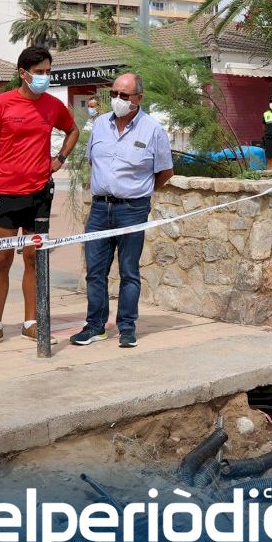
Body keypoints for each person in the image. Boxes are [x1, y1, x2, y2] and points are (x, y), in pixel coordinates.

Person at [0, 46, 79, 349]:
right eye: (39, 72)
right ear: (23, 73)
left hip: (39, 194)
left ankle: (31, 323)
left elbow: (73, 130)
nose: (45, 77)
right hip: (5, 194)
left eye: (48, 71)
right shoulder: (2, 104)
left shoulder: (52, 105)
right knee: (2, 259)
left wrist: (59, 159)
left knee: (33, 259)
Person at [71, 73, 173, 348]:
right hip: (99, 209)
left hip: (132, 210)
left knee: (129, 271)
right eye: (114, 93)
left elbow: (165, 172)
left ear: (139, 98)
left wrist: (139, 192)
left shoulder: (153, 130)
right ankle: (95, 326)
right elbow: (93, 161)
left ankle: (127, 326)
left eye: (124, 95)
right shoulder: (100, 125)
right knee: (95, 271)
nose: (117, 99)